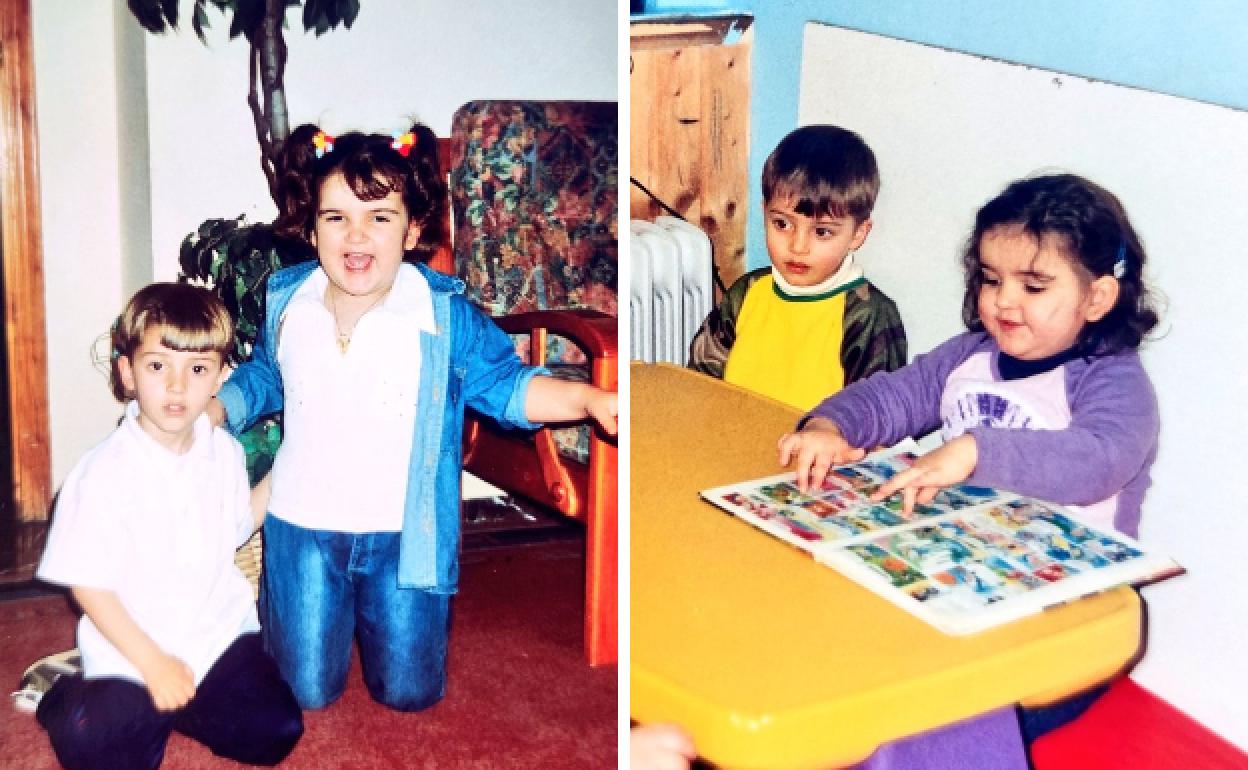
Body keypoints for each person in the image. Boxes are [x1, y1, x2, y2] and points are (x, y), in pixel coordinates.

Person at [209, 122, 619, 713]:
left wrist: (583, 400)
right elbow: (266, 376)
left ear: (413, 229)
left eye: (379, 217)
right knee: (304, 693)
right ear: (310, 227)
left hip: (405, 539)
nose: (357, 235)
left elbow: (504, 384)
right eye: (336, 218)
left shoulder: (440, 311)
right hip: (301, 527)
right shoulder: (287, 299)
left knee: (410, 694)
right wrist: (220, 409)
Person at [777, 173, 1161, 763]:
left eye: (1033, 286)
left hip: (1064, 626)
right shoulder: (972, 355)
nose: (1003, 301)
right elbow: (895, 396)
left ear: (1097, 298)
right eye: (991, 279)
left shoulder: (1111, 378)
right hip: (956, 581)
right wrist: (832, 426)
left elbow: (1100, 459)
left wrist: (978, 451)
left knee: (922, 704)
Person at [35, 283, 304, 770]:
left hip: (214, 637)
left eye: (197, 369)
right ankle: (62, 696)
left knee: (277, 731)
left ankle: (183, 702)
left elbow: (238, 522)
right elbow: (88, 585)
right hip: (132, 650)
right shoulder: (103, 473)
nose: (177, 387)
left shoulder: (221, 451)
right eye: (158, 366)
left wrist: (288, 469)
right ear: (128, 373)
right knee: (101, 754)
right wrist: (154, 665)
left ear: (221, 377)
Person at [688, 124, 907, 411]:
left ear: (858, 234)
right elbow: (699, 380)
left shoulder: (867, 314)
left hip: (819, 455)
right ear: (764, 212)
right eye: (782, 224)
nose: (798, 246)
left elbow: (879, 417)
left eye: (822, 232)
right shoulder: (747, 293)